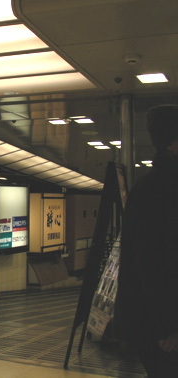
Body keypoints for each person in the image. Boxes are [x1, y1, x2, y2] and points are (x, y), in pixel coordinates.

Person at [119, 105, 178, 377]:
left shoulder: (159, 186)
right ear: (170, 144)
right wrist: (167, 327)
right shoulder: (156, 191)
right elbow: (152, 263)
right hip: (159, 328)